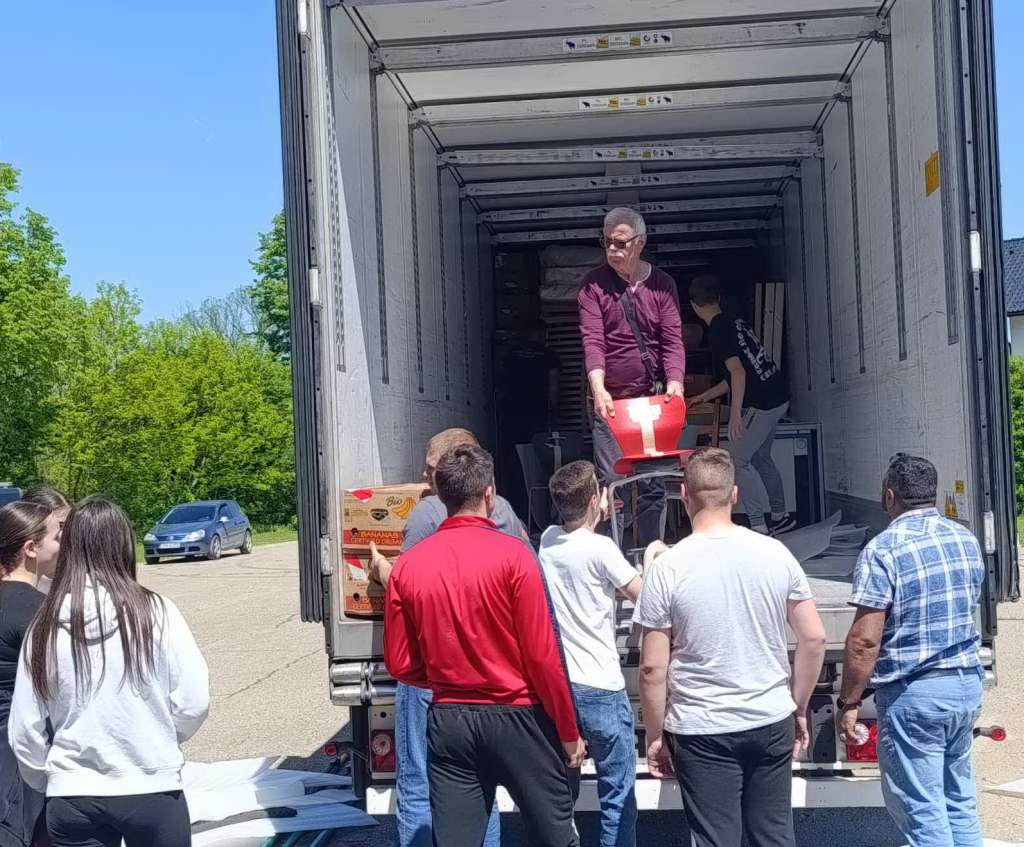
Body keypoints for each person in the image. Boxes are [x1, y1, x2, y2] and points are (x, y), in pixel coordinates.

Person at [384, 444, 585, 847]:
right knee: (556, 838)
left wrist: (446, 672)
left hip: (451, 722)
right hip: (518, 716)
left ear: (441, 496)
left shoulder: (407, 565)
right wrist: (568, 730)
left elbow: (400, 663)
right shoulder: (516, 556)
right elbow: (543, 658)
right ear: (489, 494)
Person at [634, 448, 826, 847]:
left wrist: (655, 735)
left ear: (684, 495)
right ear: (734, 495)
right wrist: (798, 706)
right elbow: (813, 638)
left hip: (702, 728)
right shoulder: (775, 553)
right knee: (773, 836)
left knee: (715, 839)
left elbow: (652, 668)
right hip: (770, 718)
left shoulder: (667, 567)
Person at [8, 497, 210, 847]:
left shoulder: (45, 623)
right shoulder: (157, 611)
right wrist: (159, 736)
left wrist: (50, 779)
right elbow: (194, 702)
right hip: (151, 785)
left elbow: (25, 728)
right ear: (124, 545)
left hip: (73, 793)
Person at [368, 427, 526, 847]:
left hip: (431, 668)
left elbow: (407, 584)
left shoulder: (427, 513)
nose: (424, 475)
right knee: (482, 784)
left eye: (431, 467)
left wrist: (379, 568)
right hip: (489, 669)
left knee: (418, 781)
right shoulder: (503, 510)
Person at [838, 454, 985, 847]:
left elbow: (865, 640)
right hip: (965, 686)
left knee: (923, 812)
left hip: (916, 694)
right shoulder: (965, 538)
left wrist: (849, 701)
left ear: (889, 496)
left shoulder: (883, 550)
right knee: (959, 799)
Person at [539, 460, 641, 847]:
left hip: (562, 689)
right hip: (602, 688)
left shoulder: (548, 541)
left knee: (560, 797)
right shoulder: (602, 549)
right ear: (595, 500)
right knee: (616, 797)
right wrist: (653, 559)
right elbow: (642, 595)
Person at [578, 207, 686, 547]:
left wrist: (676, 382)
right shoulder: (593, 285)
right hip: (610, 401)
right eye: (606, 241)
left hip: (650, 400)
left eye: (620, 242)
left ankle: (652, 556)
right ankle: (613, 558)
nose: (612, 249)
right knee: (613, 485)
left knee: (653, 483)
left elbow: (672, 339)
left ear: (640, 242)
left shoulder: (662, 285)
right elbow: (593, 340)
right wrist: (598, 388)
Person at [688, 275, 794, 536]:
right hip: (778, 395)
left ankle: (758, 525)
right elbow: (732, 377)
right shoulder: (734, 322)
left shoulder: (717, 331)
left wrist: (735, 415)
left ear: (694, 306)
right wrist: (703, 397)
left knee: (737, 459)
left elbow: (738, 373)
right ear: (718, 298)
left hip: (763, 403)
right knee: (760, 456)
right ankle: (780, 515)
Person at [0, 499, 65, 847]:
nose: (63, 546)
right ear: (30, 548)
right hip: (18, 758)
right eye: (57, 537)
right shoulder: (37, 611)